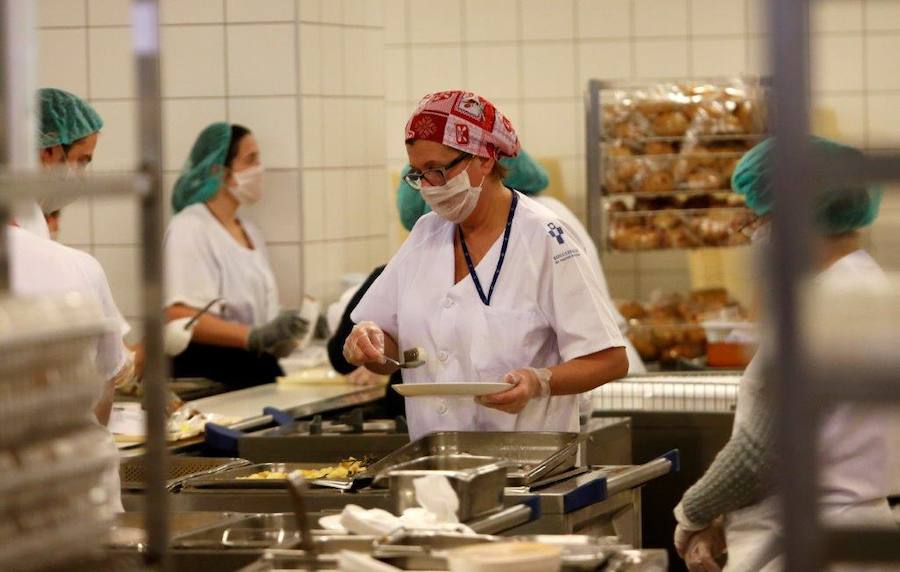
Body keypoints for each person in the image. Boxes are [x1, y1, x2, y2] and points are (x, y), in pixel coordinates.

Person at [343, 90, 628, 440]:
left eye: (438, 170)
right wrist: (368, 344)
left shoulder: (544, 237)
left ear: (484, 159)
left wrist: (538, 382)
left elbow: (610, 360)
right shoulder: (425, 234)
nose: (428, 187)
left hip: (527, 460)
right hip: (437, 457)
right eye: (418, 174)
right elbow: (386, 348)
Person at [673, 137, 893, 572]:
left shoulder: (818, 307)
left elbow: (760, 455)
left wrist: (692, 514)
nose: (756, 235)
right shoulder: (873, 290)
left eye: (758, 220)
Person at [7, 88, 134, 512]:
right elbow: (102, 391)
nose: (82, 175)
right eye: (81, 161)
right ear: (48, 153)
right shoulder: (72, 266)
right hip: (71, 494)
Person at [164, 122, 307, 387]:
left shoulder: (250, 231)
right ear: (219, 170)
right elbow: (179, 314)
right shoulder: (189, 227)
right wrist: (253, 336)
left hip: (253, 367)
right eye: (250, 160)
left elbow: (261, 311)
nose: (259, 170)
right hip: (212, 372)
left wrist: (287, 328)